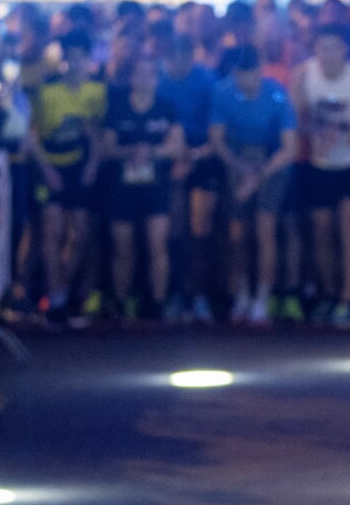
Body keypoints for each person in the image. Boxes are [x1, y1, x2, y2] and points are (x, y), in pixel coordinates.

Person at [292, 24, 350, 327]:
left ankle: (347, 300)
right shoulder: (303, 76)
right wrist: (315, 132)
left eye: (334, 48)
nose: (328, 55)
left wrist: (341, 134)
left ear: (345, 48)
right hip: (321, 165)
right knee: (320, 228)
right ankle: (329, 294)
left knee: (349, 225)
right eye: (322, 48)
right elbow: (296, 121)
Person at [211, 46, 300, 326]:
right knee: (237, 233)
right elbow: (217, 139)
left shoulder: (276, 95)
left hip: (272, 163)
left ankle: (262, 296)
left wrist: (257, 177)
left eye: (251, 74)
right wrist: (240, 169)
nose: (245, 81)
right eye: (240, 75)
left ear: (259, 71)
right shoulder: (223, 93)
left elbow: (289, 148)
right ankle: (242, 292)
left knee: (265, 228)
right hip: (237, 160)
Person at [23, 30, 107, 321]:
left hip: (80, 169)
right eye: (69, 59)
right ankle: (55, 297)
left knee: (81, 234)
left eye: (79, 59)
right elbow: (31, 135)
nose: (74, 64)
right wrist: (46, 168)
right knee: (51, 231)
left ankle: (66, 289)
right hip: (51, 168)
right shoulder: (47, 93)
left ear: (88, 61)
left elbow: (97, 133)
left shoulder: (97, 92)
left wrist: (93, 165)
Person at [100, 58, 185, 320]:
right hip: (122, 188)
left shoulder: (166, 108)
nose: (145, 79)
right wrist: (129, 152)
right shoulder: (117, 108)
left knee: (157, 243)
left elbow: (177, 147)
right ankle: (121, 302)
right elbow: (106, 148)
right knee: (122, 247)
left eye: (150, 74)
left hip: (156, 187)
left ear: (156, 79)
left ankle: (157, 304)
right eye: (140, 73)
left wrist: (150, 152)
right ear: (133, 77)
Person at [159, 33, 221, 324]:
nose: (180, 63)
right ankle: (176, 294)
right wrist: (175, 158)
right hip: (168, 163)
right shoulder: (158, 80)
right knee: (174, 231)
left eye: (186, 56)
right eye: (175, 56)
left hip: (202, 159)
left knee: (200, 230)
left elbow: (218, 131)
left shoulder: (206, 81)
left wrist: (193, 157)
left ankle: (200, 297)